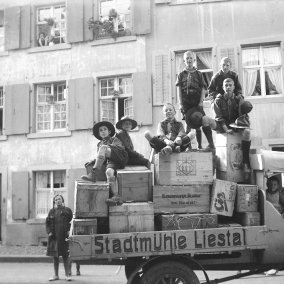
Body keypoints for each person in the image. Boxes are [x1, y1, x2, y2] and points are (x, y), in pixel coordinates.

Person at [186, 78, 253, 180]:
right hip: (222, 126)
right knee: (205, 119)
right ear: (223, 87)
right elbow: (218, 117)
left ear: (234, 87)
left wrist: (241, 122)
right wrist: (226, 129)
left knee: (247, 132)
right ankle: (212, 145)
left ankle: (246, 162)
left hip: (236, 125)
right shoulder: (218, 100)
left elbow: (244, 116)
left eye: (230, 85)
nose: (228, 87)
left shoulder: (239, 99)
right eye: (226, 85)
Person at [80, 121, 128, 204]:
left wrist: (107, 146)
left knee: (103, 148)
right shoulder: (99, 144)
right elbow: (101, 157)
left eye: (105, 129)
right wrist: (94, 161)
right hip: (111, 162)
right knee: (109, 172)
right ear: (99, 133)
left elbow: (119, 148)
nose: (103, 131)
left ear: (109, 132)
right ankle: (116, 196)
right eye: (101, 130)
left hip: (119, 157)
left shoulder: (114, 139)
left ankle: (93, 174)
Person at [176, 50, 214, 150]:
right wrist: (180, 103)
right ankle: (188, 146)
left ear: (194, 60)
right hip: (186, 103)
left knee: (198, 122)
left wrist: (201, 102)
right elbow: (179, 90)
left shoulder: (199, 74)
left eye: (190, 58)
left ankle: (200, 145)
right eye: (187, 58)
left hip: (197, 102)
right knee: (187, 124)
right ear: (184, 61)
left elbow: (203, 88)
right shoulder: (181, 75)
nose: (189, 60)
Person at [46, 194, 73, 282]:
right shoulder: (51, 211)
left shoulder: (67, 210)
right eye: (56, 199)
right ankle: (56, 275)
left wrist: (70, 231)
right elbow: (47, 223)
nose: (58, 200)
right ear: (54, 201)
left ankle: (67, 275)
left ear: (62, 200)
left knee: (65, 256)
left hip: (64, 236)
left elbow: (72, 222)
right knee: (55, 256)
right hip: (54, 237)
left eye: (59, 199)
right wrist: (49, 232)